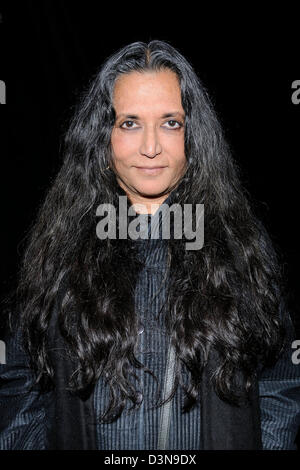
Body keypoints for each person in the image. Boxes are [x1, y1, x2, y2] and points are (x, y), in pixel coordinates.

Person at [0, 40, 300, 450]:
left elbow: (280, 379)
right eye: (130, 123)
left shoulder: (239, 244)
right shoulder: (60, 246)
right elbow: (19, 379)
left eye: (170, 122)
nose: (151, 146)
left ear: (194, 138)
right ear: (101, 139)